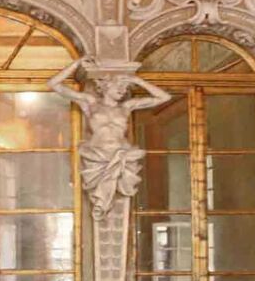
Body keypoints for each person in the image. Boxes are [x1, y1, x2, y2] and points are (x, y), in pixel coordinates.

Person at [48, 57, 171, 219]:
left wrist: (138, 80)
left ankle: (103, 206)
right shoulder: (90, 103)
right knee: (100, 196)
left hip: (121, 156)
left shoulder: (126, 107)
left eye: (125, 86)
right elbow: (54, 85)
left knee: (116, 196)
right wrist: (76, 64)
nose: (122, 90)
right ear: (105, 86)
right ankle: (101, 205)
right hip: (98, 156)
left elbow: (165, 98)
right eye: (118, 86)